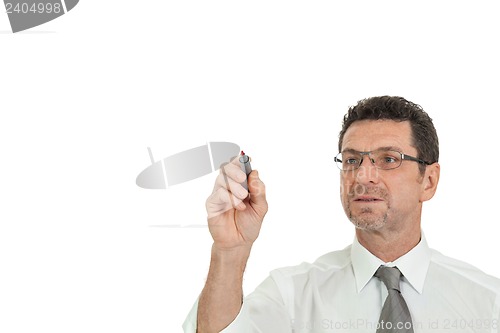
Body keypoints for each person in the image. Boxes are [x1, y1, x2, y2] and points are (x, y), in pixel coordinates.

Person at [183, 96, 500, 333]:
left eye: (388, 159)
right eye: (351, 161)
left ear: (428, 181)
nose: (363, 177)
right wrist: (230, 250)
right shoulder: (292, 295)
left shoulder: (489, 304)